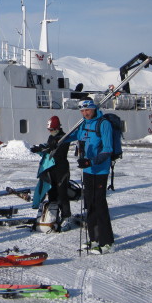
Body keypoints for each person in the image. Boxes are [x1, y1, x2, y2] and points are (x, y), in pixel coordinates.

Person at [65, 99, 115, 254]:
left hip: (99, 170)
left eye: (87, 110)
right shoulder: (83, 124)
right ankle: (94, 239)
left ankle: (107, 242)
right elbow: (73, 136)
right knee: (90, 204)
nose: (85, 113)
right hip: (87, 171)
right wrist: (56, 141)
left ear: (94, 109)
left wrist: (91, 161)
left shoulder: (103, 124)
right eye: (82, 111)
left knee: (100, 205)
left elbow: (108, 149)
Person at [30, 116, 72, 227]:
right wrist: (39, 148)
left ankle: (66, 216)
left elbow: (57, 152)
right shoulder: (51, 137)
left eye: (52, 129)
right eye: (49, 130)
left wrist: (50, 147)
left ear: (57, 128)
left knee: (62, 194)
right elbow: (49, 147)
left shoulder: (64, 138)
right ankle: (53, 215)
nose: (50, 131)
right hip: (52, 169)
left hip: (61, 169)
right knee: (52, 193)